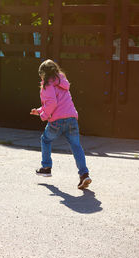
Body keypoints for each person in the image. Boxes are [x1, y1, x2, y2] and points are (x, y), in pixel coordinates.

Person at [30, 59, 91, 189]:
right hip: (71, 118)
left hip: (57, 121)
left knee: (45, 140)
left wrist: (43, 115)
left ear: (43, 74)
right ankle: (84, 175)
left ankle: (46, 167)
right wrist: (39, 110)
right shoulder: (62, 81)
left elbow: (52, 103)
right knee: (76, 146)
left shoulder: (47, 85)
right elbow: (56, 102)